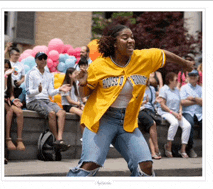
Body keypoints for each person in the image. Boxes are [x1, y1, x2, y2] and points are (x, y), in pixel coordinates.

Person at [66, 24, 193, 177]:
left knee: (145, 165)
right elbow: (83, 94)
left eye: (132, 37)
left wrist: (185, 64)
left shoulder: (142, 58)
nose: (131, 40)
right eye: (125, 38)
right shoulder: (99, 65)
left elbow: (163, 53)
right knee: (91, 163)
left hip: (128, 121)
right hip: (101, 120)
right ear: (114, 43)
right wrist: (83, 82)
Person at [25, 52, 72, 151]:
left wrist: (60, 89)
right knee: (51, 113)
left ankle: (59, 140)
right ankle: (57, 140)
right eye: (40, 58)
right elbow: (28, 92)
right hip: (34, 100)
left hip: (46, 100)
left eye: (44, 58)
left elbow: (50, 92)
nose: (43, 60)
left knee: (62, 113)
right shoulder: (31, 73)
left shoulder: (49, 75)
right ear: (36, 60)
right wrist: (38, 90)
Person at [158, 72, 191, 158]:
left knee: (187, 125)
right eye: (176, 80)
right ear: (170, 80)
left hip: (176, 113)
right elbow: (162, 105)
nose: (177, 81)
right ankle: (168, 146)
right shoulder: (164, 89)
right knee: (174, 123)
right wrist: (173, 113)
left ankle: (183, 149)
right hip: (166, 112)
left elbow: (180, 103)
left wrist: (180, 112)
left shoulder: (177, 90)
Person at [4, 59, 26, 151]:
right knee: (10, 111)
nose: (5, 69)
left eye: (7, 67)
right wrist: (5, 76)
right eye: (3, 67)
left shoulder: (10, 79)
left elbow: (10, 93)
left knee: (20, 112)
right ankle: (8, 138)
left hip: (7, 100)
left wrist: (14, 100)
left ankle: (19, 139)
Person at [180, 69, 202, 158]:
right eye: (191, 75)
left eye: (194, 76)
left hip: (199, 113)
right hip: (187, 112)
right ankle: (190, 148)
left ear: (197, 78)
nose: (192, 77)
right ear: (188, 77)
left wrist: (192, 98)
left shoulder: (201, 89)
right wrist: (197, 100)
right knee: (190, 123)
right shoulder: (184, 88)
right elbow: (182, 102)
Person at [138, 80, 161, 160]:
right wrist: (144, 102)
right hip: (140, 110)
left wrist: (157, 102)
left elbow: (153, 103)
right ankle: (156, 148)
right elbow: (133, 102)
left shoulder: (151, 88)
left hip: (149, 110)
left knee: (151, 127)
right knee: (153, 124)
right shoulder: (138, 87)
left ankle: (153, 153)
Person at [61, 67, 85, 134]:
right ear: (70, 75)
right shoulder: (65, 86)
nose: (77, 75)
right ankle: (83, 137)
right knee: (82, 114)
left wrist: (80, 105)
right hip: (68, 106)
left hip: (75, 105)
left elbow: (77, 98)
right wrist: (79, 104)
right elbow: (69, 100)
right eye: (75, 74)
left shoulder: (75, 85)